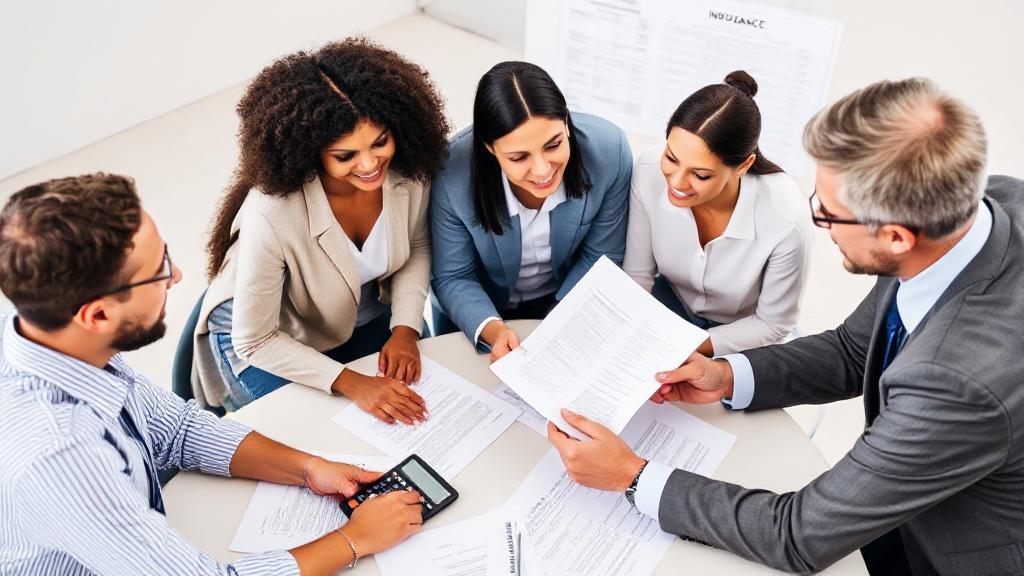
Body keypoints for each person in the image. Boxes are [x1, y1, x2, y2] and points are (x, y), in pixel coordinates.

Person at [546, 78, 1024, 575]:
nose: (817, 218)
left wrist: (632, 475)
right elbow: (853, 351)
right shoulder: (986, 204)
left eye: (829, 215)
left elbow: (798, 535)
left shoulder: (955, 383)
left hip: (956, 552)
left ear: (898, 236)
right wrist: (727, 375)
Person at [0, 174, 424, 574]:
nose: (178, 276)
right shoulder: (59, 455)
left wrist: (308, 468)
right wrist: (354, 539)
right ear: (97, 314)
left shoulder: (58, 338)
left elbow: (179, 431)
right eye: (160, 269)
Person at [194, 38, 450, 421]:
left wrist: (405, 330)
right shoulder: (273, 214)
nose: (370, 164)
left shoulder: (409, 173)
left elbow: (416, 244)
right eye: (345, 155)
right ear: (310, 152)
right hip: (268, 339)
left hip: (350, 314)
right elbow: (256, 340)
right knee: (328, 436)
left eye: (380, 142)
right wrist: (352, 382)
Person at [430, 61, 632, 361]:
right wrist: (493, 329)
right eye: (518, 157)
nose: (542, 170)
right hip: (477, 312)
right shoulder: (451, 173)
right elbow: (453, 276)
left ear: (567, 123)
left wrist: (555, 328)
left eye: (553, 145)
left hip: (569, 300)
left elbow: (601, 257)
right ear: (489, 148)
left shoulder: (610, 151)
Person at [623, 71, 811, 356]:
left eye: (700, 175)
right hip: (669, 307)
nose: (676, 182)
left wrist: (679, 347)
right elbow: (637, 276)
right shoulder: (649, 170)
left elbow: (772, 325)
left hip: (745, 334)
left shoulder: (784, 218)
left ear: (743, 166)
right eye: (671, 158)